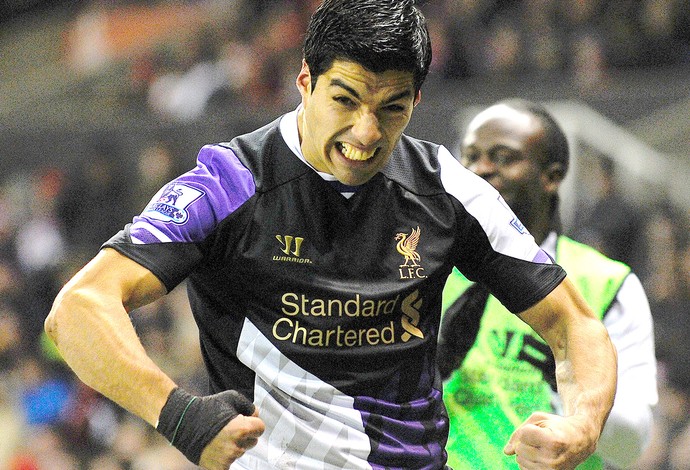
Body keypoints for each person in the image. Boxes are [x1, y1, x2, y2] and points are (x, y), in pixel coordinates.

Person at [45, 2, 617, 469]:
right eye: (345, 99)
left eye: (391, 109)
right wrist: (179, 417)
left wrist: (583, 424)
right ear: (304, 82)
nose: (365, 134)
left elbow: (574, 323)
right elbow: (79, 308)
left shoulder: (449, 191)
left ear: (416, 102)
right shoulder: (229, 183)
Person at [439, 99, 658, 470]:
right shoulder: (427, 266)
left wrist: (571, 387)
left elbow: (632, 446)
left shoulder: (607, 283)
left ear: (552, 176)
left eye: (504, 157)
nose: (480, 170)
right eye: (470, 156)